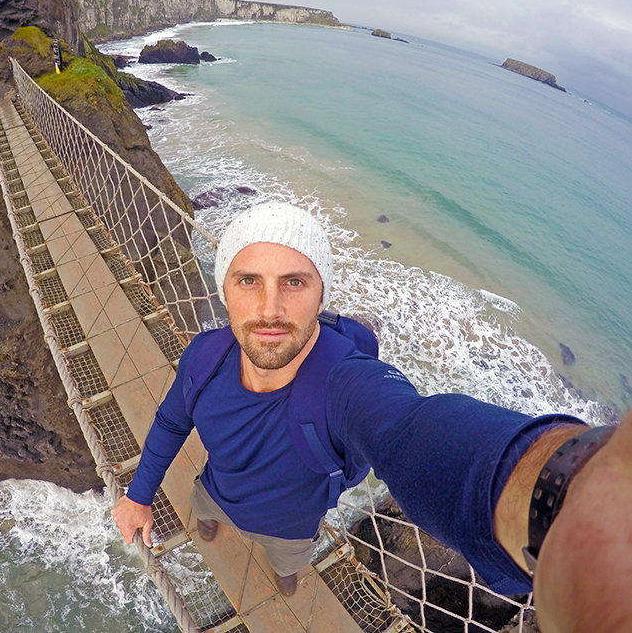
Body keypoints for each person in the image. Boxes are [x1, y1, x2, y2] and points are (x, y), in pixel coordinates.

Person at [112, 203, 632, 631]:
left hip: (291, 530)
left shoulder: (345, 382)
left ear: (322, 293)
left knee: (287, 565)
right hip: (215, 492)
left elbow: (416, 433)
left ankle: (286, 573)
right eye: (248, 280)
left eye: (294, 282)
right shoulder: (204, 357)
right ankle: (208, 527)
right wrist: (138, 496)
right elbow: (171, 422)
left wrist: (568, 497)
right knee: (204, 514)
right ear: (224, 288)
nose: (269, 309)